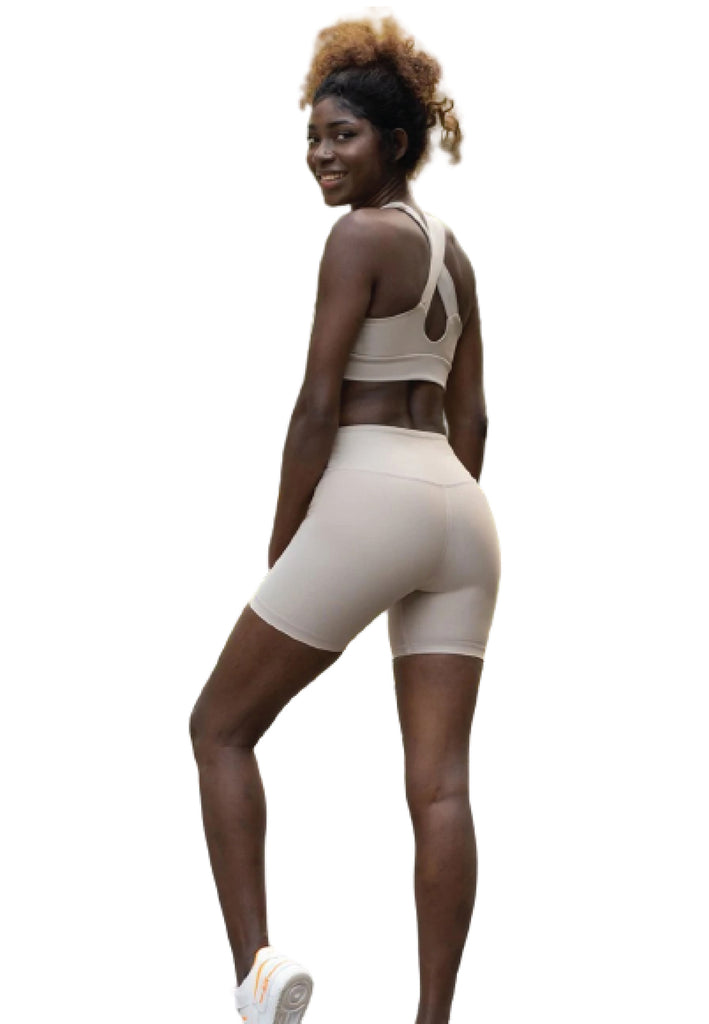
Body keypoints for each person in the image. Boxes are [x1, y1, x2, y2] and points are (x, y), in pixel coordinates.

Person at [189, 14, 501, 1024]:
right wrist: (429, 527)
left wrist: (288, 543)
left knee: (219, 727)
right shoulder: (455, 258)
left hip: (369, 491)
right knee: (440, 787)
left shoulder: (359, 237)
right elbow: (473, 419)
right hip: (461, 512)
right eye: (314, 136)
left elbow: (316, 407)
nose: (321, 153)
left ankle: (257, 972)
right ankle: (434, 1017)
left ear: (394, 142)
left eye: (343, 135)